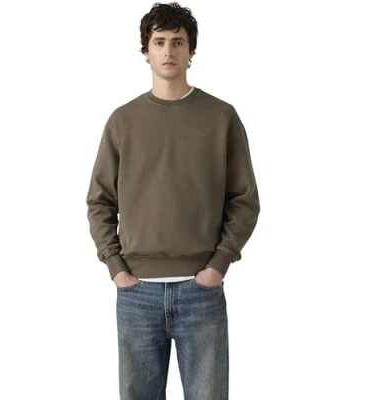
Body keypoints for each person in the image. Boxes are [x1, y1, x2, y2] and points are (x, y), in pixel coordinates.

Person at [86, 2, 260, 399]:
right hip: (137, 292)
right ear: (146, 50)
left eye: (178, 42)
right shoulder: (122, 121)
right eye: (159, 41)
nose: (168, 51)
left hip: (202, 291)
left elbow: (245, 199)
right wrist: (116, 267)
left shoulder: (221, 117)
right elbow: (100, 201)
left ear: (191, 50)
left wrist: (218, 264)